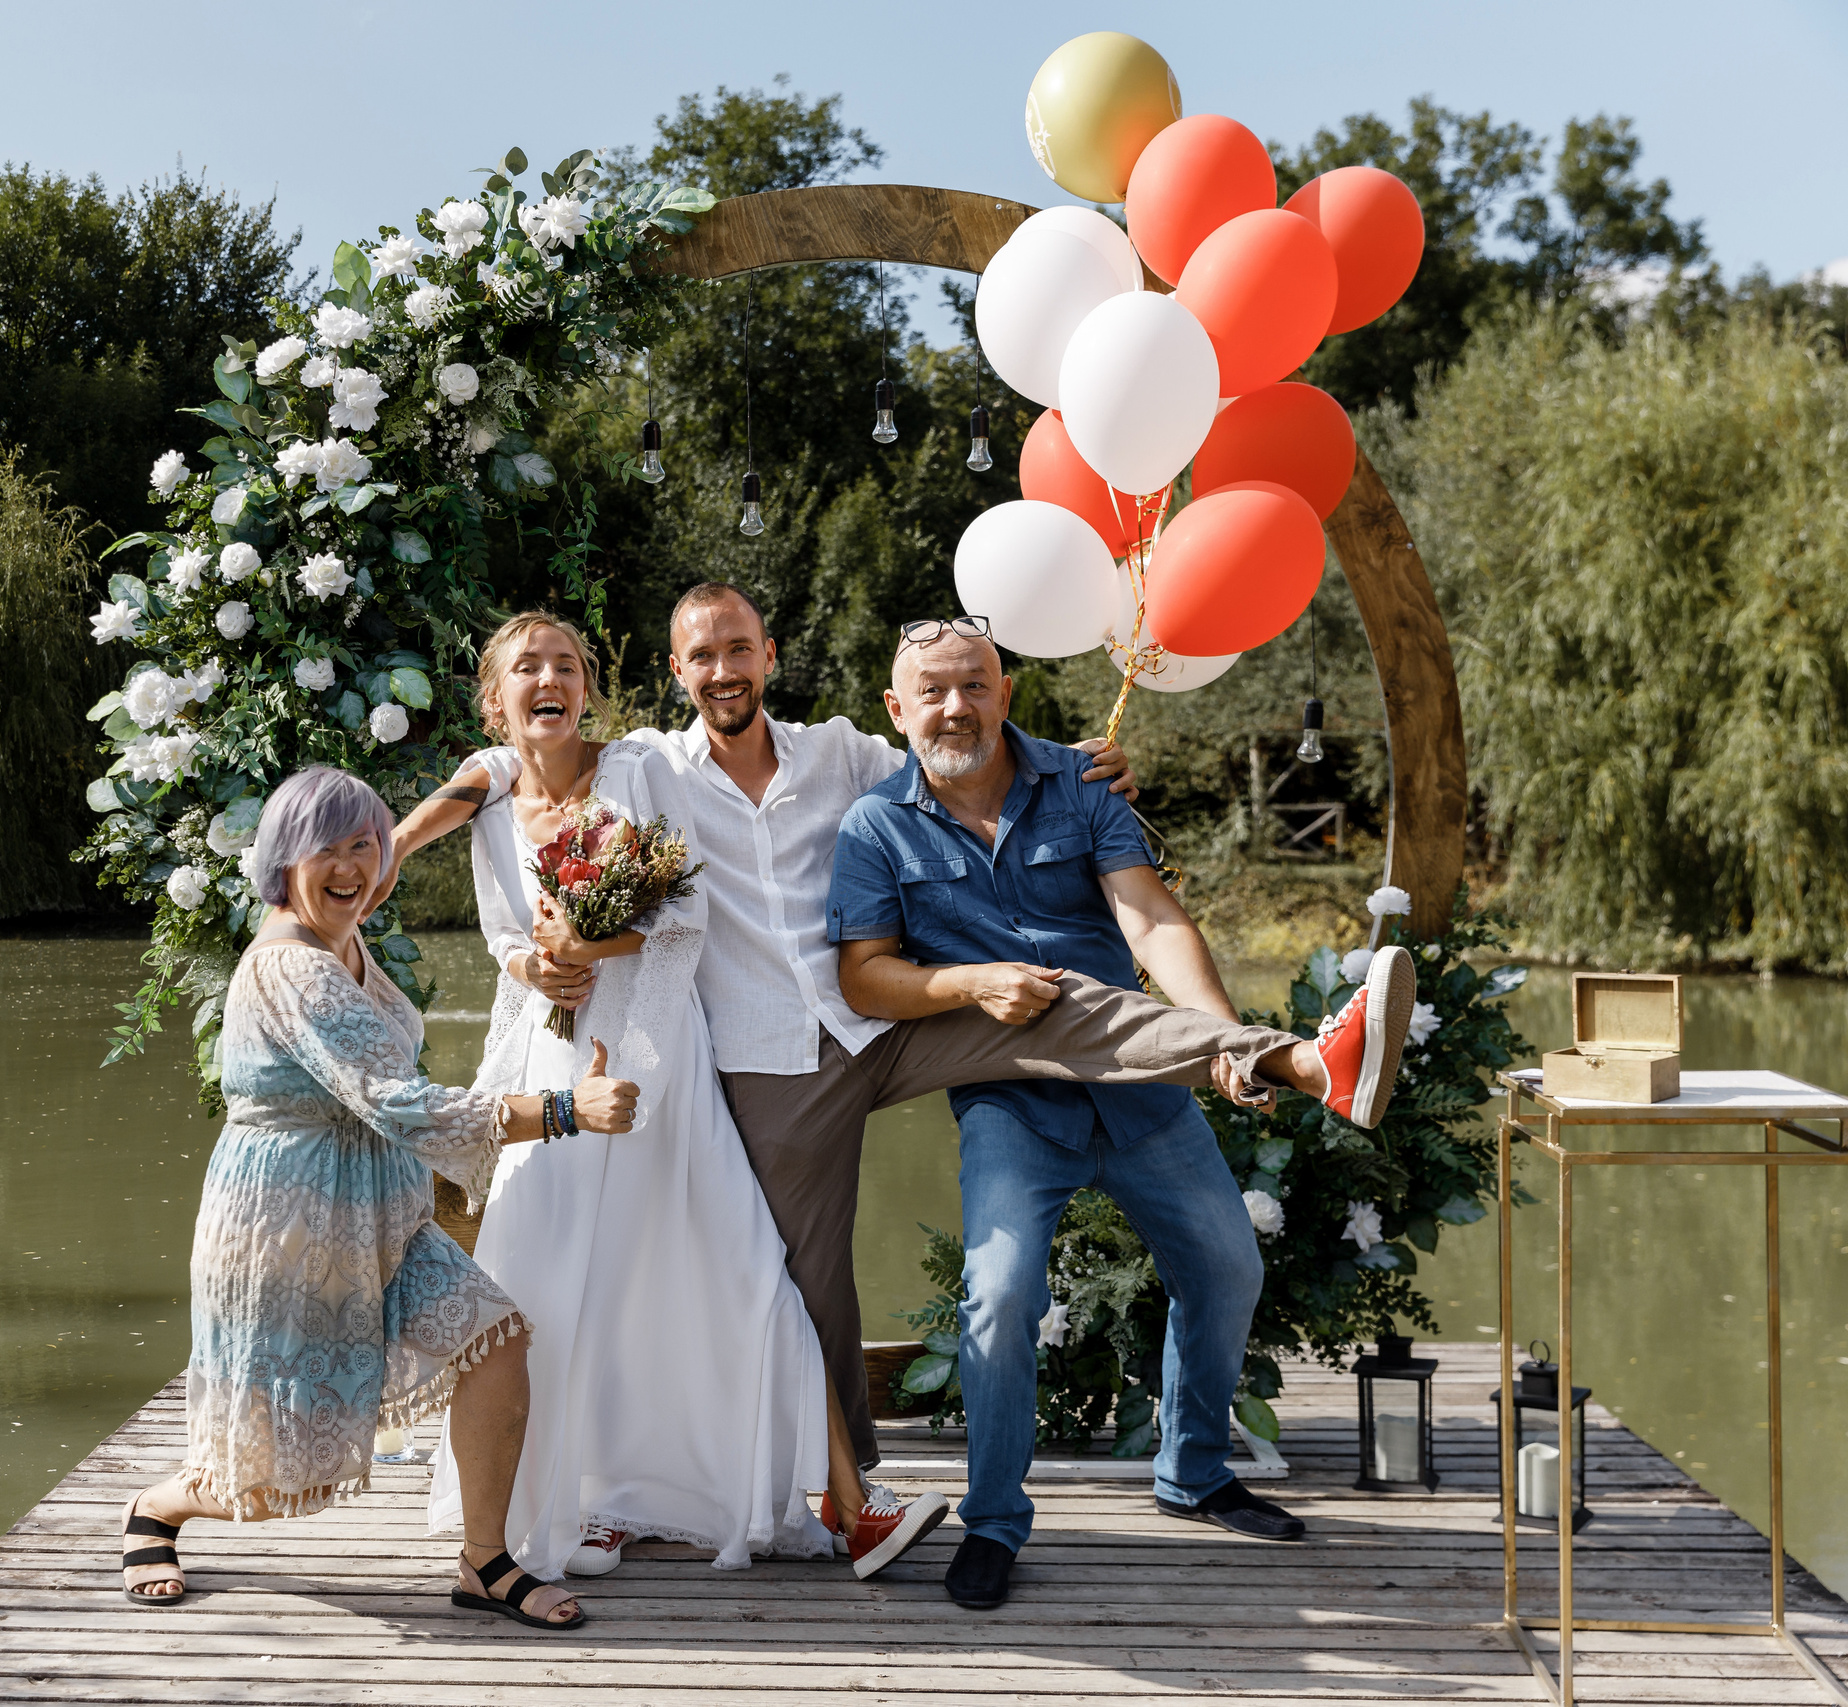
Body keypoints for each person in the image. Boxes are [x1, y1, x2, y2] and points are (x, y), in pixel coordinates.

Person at [403, 582, 1410, 1598]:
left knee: (1062, 1007)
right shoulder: (651, 769)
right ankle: (859, 1501)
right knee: (802, 1281)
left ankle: (1282, 1057)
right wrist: (411, 851)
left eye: (739, 649)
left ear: (770, 653)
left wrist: (1079, 764)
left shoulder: (846, 753)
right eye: (701, 656)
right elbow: (507, 768)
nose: (722, 671)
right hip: (768, 1057)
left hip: (888, 1017)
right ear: (676, 674)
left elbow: (963, 742)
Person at [830, 617, 1416, 1609]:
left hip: (1139, 1085)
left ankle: (1192, 1472)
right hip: (1013, 1101)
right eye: (930, 690)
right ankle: (993, 1519)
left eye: (972, 684)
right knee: (1001, 1297)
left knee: (1228, 1266)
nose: (953, 706)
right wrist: (969, 983)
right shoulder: (873, 827)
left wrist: (1217, 1043)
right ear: (896, 710)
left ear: (1004, 691)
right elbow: (864, 978)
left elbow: (1150, 918)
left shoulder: (1079, 782)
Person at [402, 613, 891, 1582]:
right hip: (555, 1070)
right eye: (528, 668)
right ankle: (564, 1498)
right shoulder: (490, 794)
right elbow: (502, 930)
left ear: (588, 688)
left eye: (568, 666)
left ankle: (845, 1497)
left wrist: (589, 945)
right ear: (496, 700)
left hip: (662, 1056)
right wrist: (534, 968)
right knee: (546, 1280)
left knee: (739, 1268)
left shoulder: (636, 769)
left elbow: (686, 911)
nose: (551, 678)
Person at [118, 765, 641, 1632]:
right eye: (328, 846)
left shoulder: (347, 939)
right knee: (271, 1474)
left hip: (384, 1216)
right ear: (285, 857)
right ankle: (159, 1506)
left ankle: (485, 1560)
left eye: (365, 843)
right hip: (290, 1226)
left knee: (494, 1338)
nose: (352, 864)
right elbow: (397, 1101)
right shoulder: (293, 967)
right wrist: (561, 1110)